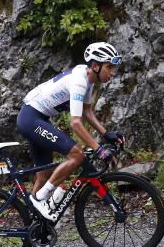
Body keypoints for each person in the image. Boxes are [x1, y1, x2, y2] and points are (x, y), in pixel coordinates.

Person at [16, 42, 124, 221]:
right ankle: (38, 199)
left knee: (43, 176)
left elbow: (86, 110)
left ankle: (33, 224)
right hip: (31, 118)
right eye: (109, 67)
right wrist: (98, 148)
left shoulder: (88, 78)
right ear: (95, 66)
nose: (112, 72)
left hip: (38, 119)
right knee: (77, 154)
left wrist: (106, 134)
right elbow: (75, 123)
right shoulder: (79, 81)